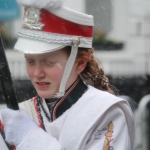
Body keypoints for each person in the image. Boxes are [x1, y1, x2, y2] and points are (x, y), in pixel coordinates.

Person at [0, 0, 135, 149]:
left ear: (80, 63)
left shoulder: (106, 112)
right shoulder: (17, 117)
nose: (37, 73)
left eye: (48, 62)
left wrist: (29, 138)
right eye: (30, 62)